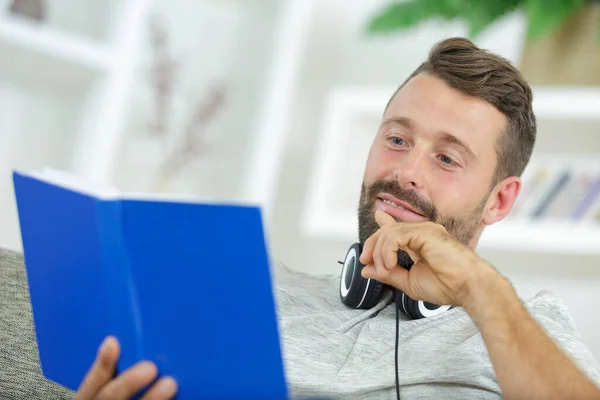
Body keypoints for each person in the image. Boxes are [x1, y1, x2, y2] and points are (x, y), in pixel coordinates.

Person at [1, 37, 600, 399]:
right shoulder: (261, 291)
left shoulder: (523, 328)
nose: (407, 171)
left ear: (499, 200)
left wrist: (476, 286)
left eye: (446, 158)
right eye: (396, 139)